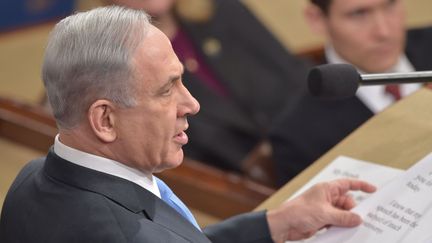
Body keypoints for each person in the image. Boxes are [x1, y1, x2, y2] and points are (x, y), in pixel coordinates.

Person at [0, 6, 376, 243]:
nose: (191, 103)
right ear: (105, 119)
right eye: (167, 91)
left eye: (182, 80)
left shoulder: (36, 177)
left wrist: (275, 224)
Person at [104, 0, 311, 178]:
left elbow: (293, 74)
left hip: (305, 137)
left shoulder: (223, 10)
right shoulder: (120, 67)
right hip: (250, 182)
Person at [270, 0, 432, 185]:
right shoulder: (299, 135)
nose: (384, 31)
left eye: (390, 5)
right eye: (359, 14)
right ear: (316, 19)